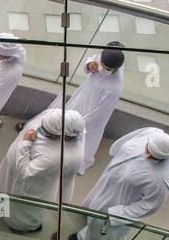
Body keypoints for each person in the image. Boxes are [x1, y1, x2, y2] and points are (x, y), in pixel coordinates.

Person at [73, 127, 169, 240]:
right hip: (109, 182)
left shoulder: (162, 180)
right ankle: (88, 215)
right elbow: (130, 137)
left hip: (119, 200)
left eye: (151, 156)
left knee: (100, 224)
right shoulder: (152, 132)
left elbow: (150, 206)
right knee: (94, 203)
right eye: (147, 149)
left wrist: (118, 214)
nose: (146, 154)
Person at [0, 108, 85, 234]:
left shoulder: (55, 157)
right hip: (40, 179)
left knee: (22, 210)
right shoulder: (73, 127)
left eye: (46, 131)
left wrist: (26, 142)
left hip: (31, 187)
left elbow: (25, 171)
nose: (40, 130)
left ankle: (21, 227)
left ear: (64, 135)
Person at [49, 42, 126, 174]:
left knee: (84, 137)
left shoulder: (114, 88)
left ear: (115, 69)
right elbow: (90, 61)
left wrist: (79, 121)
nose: (102, 69)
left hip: (92, 112)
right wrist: (89, 65)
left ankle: (78, 161)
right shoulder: (103, 58)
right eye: (101, 63)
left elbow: (100, 113)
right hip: (84, 95)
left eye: (106, 69)